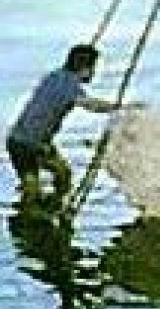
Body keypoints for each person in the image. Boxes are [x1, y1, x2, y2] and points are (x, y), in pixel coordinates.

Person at [6, 44, 128, 207]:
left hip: (16, 140)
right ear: (84, 68)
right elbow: (91, 105)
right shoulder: (70, 86)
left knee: (37, 182)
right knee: (61, 177)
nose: (94, 73)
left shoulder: (53, 76)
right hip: (34, 144)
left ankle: (33, 211)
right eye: (93, 68)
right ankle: (50, 210)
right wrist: (119, 107)